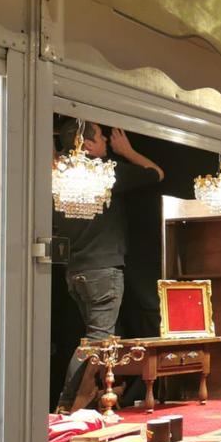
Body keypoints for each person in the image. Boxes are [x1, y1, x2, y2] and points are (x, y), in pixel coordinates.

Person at [55, 119, 165, 413]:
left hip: (74, 272)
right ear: (87, 144)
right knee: (96, 341)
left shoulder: (59, 175)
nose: (106, 141)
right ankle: (67, 406)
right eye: (102, 137)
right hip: (103, 270)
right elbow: (155, 173)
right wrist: (126, 150)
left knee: (103, 341)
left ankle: (97, 401)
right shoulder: (104, 174)